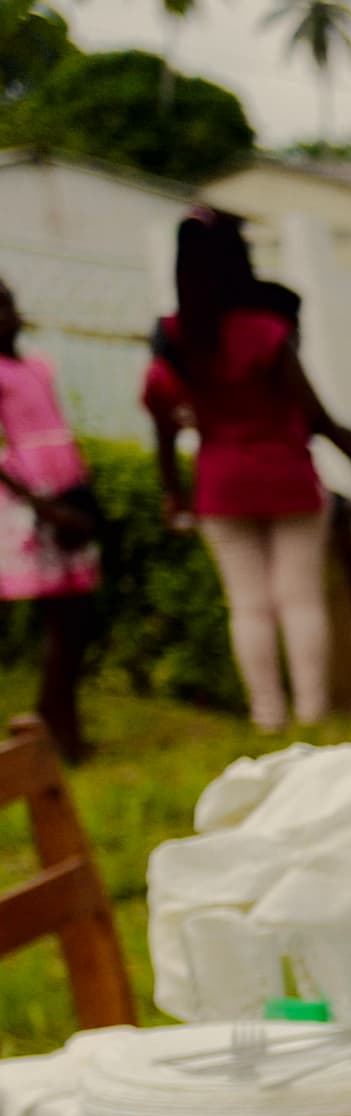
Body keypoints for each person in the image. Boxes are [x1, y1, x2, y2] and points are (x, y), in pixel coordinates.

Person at [144, 208, 351, 732]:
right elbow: (312, 410)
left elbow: (159, 417)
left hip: (219, 482)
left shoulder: (172, 339)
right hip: (286, 474)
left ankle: (266, 717)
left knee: (248, 606)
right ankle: (312, 713)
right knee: (299, 599)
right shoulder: (265, 331)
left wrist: (172, 493)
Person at [0, 279, 102, 761]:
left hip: (65, 497)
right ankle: (54, 731)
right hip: (33, 510)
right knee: (63, 622)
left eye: (7, 305)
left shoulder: (36, 366)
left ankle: (57, 720)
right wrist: (43, 508)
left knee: (79, 619)